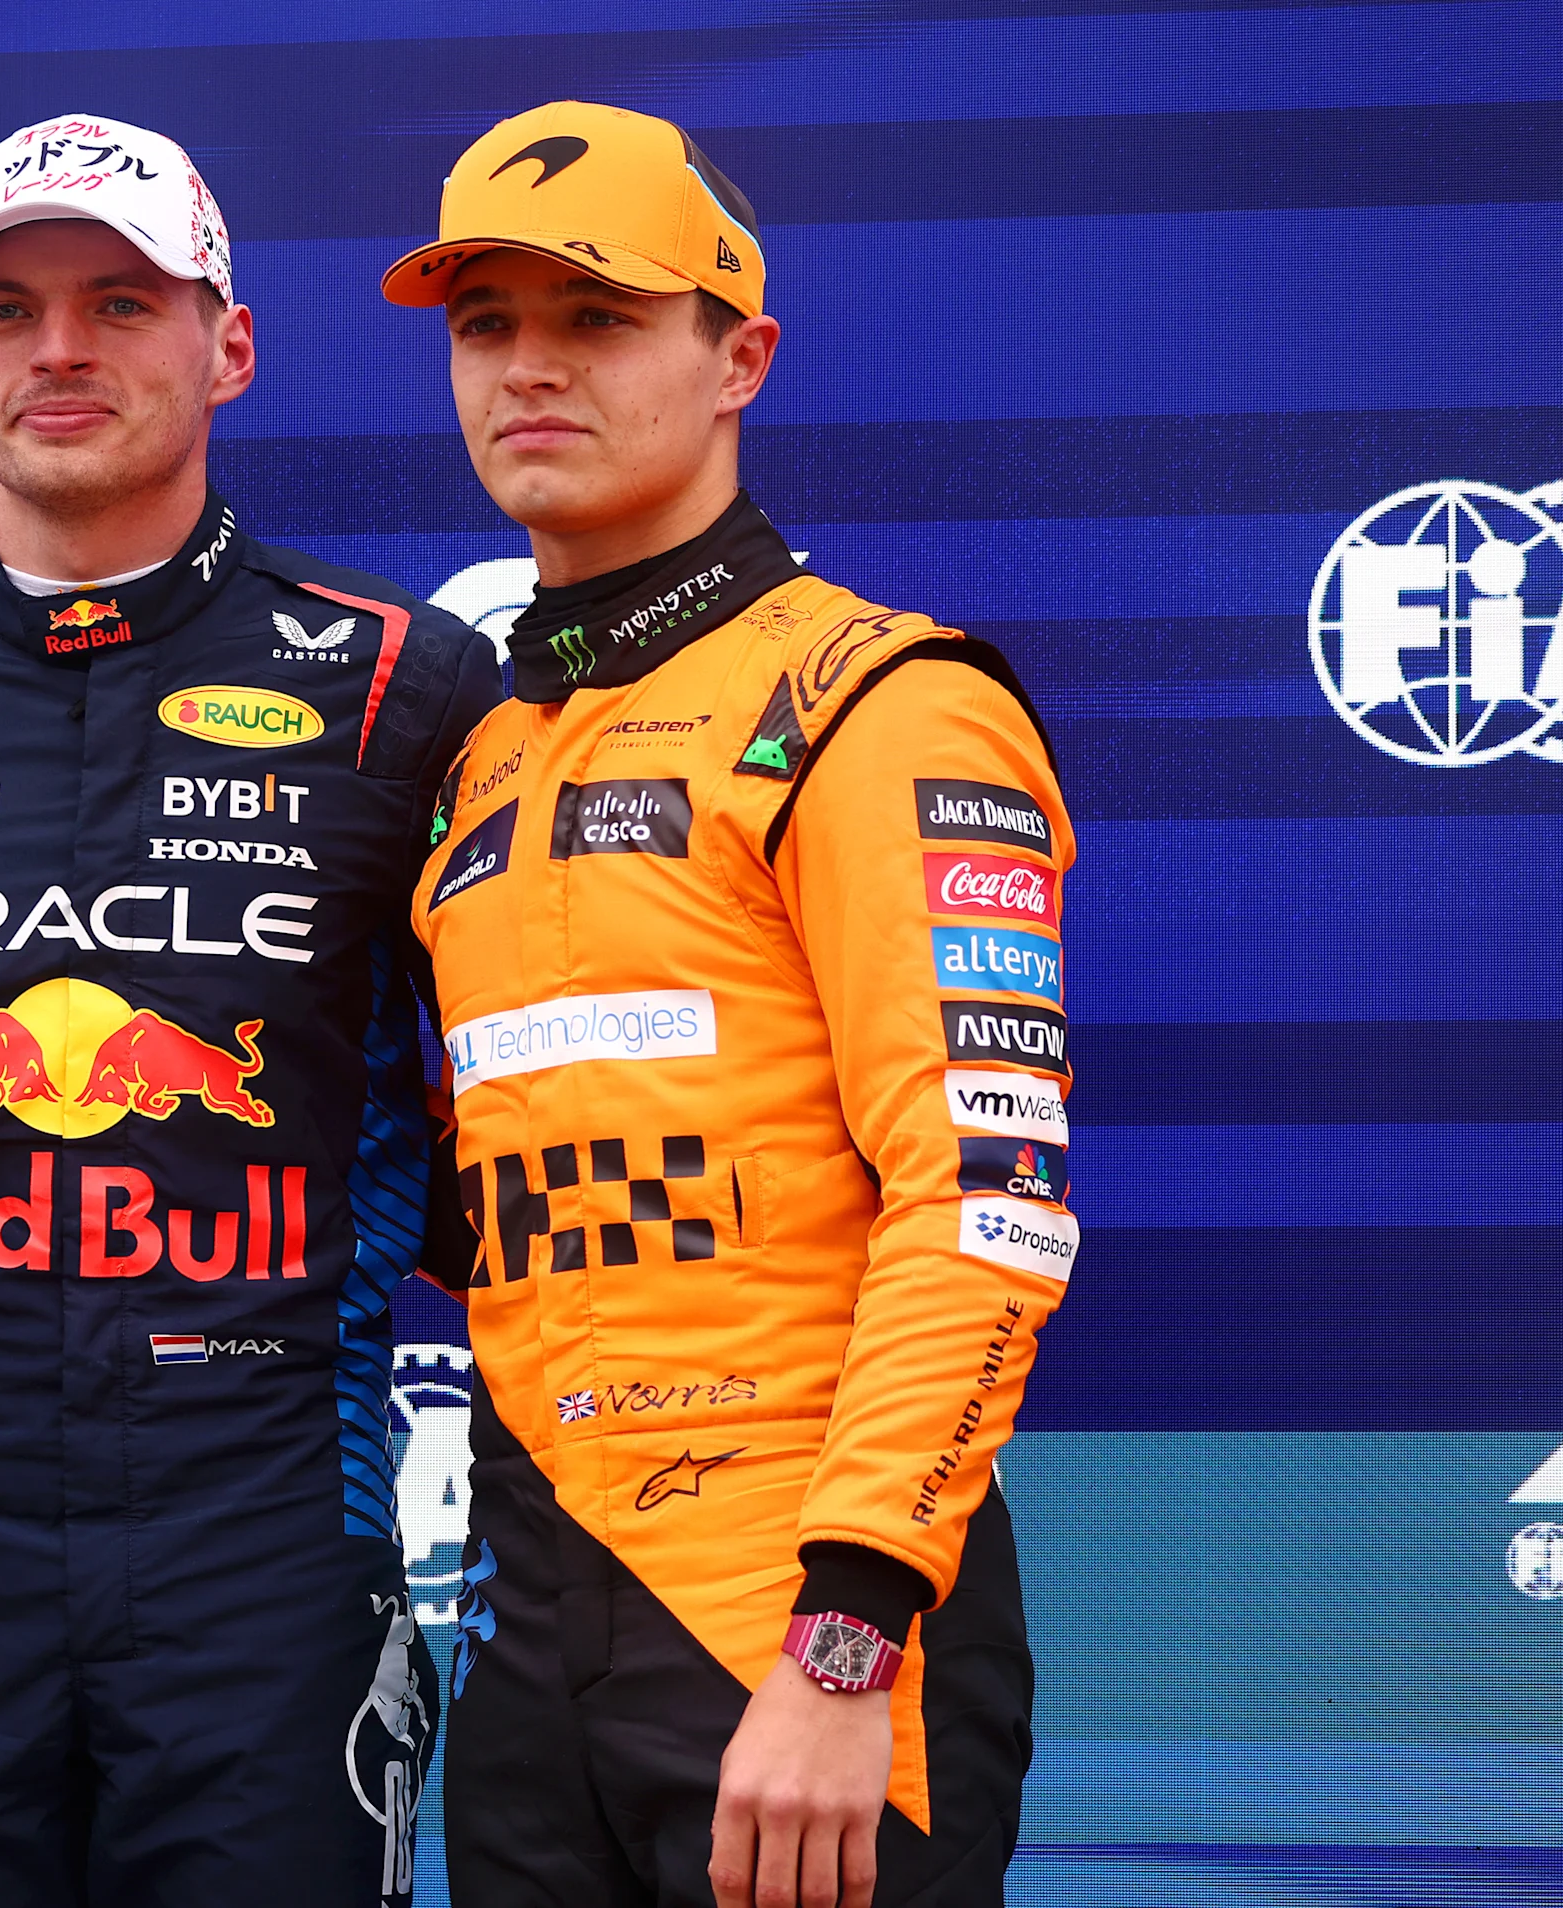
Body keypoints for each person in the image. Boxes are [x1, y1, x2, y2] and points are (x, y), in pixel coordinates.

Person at [0, 113, 501, 1908]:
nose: (59, 350)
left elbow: (501, 1112)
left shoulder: (406, 685)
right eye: (9, 309)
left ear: (228, 344)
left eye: (120, 301)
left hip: (270, 1525)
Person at [383, 103, 1070, 1908]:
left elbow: (981, 1202)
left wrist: (845, 1651)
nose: (529, 369)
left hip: (799, 1637)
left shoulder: (882, 702)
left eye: (598, 318)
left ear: (738, 356)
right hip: (536, 1638)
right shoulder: (482, 762)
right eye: (486, 325)